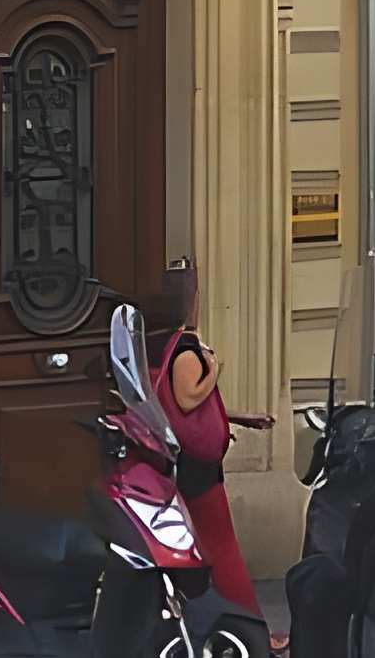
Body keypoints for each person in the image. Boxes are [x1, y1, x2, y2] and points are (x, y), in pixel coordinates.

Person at [149, 264, 276, 627]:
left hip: (172, 459)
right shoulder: (185, 346)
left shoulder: (153, 345)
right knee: (222, 548)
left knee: (196, 546)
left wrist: (236, 417)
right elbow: (188, 398)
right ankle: (251, 626)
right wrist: (214, 368)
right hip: (198, 468)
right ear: (190, 301)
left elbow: (173, 406)